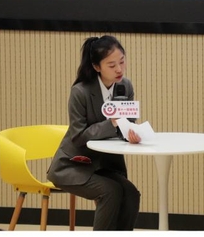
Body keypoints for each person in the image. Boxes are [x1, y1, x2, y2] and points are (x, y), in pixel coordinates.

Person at [48, 35, 141, 231]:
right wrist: (112, 123)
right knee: (111, 192)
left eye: (122, 61)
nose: (119, 69)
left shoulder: (125, 86)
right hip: (73, 165)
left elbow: (127, 123)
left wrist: (131, 134)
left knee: (131, 194)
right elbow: (78, 136)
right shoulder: (80, 92)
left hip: (104, 165)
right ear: (97, 67)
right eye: (112, 65)